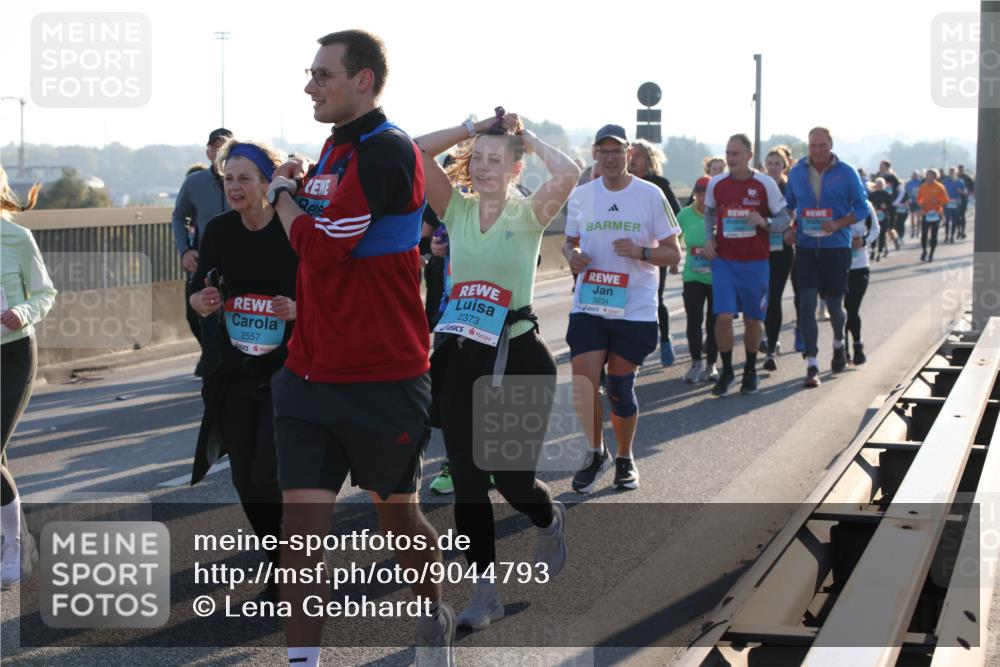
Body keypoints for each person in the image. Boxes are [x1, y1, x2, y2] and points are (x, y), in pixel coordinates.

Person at [264, 30, 454, 667]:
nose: (309, 86)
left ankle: (433, 617)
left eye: (323, 75)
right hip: (308, 375)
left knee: (399, 524)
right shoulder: (335, 147)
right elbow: (321, 226)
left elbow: (321, 249)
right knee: (300, 537)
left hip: (384, 378)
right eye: (311, 73)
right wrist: (299, 183)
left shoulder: (387, 150)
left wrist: (281, 195)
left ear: (364, 80)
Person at [415, 108, 580, 630]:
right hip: (463, 357)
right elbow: (414, 150)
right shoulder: (457, 211)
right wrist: (471, 128)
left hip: (519, 356)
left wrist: (528, 137)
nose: (484, 167)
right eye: (478, 159)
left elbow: (571, 172)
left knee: (511, 481)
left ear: (515, 168)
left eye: (495, 160)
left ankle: (547, 517)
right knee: (467, 479)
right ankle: (484, 594)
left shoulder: (529, 215)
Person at [188, 139, 296, 603]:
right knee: (245, 480)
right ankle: (278, 560)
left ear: (267, 183)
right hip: (234, 370)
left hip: (287, 370)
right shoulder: (218, 231)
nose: (234, 187)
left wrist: (298, 309)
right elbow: (197, 292)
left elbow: (328, 289)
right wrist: (202, 300)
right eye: (228, 179)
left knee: (270, 472)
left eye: (244, 178)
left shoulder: (291, 229)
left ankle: (297, 561)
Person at [563, 124, 681, 492]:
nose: (610, 158)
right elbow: (569, 242)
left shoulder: (650, 194)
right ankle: (596, 452)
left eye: (617, 151)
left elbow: (673, 253)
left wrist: (642, 252)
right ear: (595, 154)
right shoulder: (582, 195)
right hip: (590, 302)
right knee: (583, 382)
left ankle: (626, 457)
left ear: (628, 154)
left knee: (618, 387)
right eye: (604, 151)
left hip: (634, 307)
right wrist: (573, 256)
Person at [701, 134, 790, 396]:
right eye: (728, 153)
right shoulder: (717, 183)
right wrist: (709, 238)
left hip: (755, 262)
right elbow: (709, 214)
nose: (730, 158)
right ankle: (727, 371)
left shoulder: (765, 184)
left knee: (752, 320)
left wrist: (765, 222)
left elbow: (785, 218)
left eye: (736, 153)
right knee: (723, 317)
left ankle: (750, 370)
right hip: (725, 261)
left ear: (749, 156)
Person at [1, 167, 56, 586]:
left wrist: (23, 311)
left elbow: (45, 293)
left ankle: (15, 544)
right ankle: (15, 539)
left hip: (13, 354)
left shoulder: (17, 238)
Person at [784, 127, 870, 388]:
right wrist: (789, 228)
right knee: (807, 303)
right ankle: (811, 363)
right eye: (813, 146)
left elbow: (862, 208)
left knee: (834, 306)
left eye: (822, 145)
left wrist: (839, 223)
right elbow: (788, 207)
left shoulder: (846, 172)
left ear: (831, 145)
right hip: (807, 247)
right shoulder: (797, 172)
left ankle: (839, 342)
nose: (818, 150)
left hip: (836, 247)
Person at [172, 128, 232, 378]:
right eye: (215, 147)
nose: (219, 152)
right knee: (197, 316)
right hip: (206, 265)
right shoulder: (194, 183)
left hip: (239, 262)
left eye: (225, 147)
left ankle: (222, 366)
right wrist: (185, 251)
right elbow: (178, 216)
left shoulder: (248, 178)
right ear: (208, 152)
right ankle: (210, 362)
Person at [628, 139, 682, 366]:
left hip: (654, 253)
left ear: (648, 160)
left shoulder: (658, 185)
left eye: (638, 155)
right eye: (631, 155)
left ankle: (665, 339)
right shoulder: (620, 184)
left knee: (655, 298)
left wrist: (672, 251)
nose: (633, 159)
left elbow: (677, 216)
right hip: (626, 254)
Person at [677, 176, 718, 383]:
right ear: (695, 194)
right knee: (694, 319)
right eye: (700, 193)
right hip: (693, 276)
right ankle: (695, 363)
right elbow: (672, 237)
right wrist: (673, 258)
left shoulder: (720, 214)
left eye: (707, 193)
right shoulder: (685, 214)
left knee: (714, 323)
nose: (703, 198)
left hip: (718, 277)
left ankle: (711, 365)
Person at [761, 147, 795, 371]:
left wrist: (791, 228)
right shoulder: (759, 185)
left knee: (774, 298)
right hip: (758, 248)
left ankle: (771, 348)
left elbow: (796, 212)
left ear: (785, 166)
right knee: (759, 297)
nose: (773, 167)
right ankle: (762, 334)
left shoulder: (789, 188)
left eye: (777, 164)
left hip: (782, 249)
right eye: (770, 163)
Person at [844, 201, 880, 366]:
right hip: (838, 265)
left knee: (852, 309)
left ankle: (857, 345)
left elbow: (875, 229)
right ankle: (842, 349)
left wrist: (864, 241)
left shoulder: (865, 205)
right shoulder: (834, 201)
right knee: (839, 311)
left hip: (860, 266)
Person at [918, 168, 949, 262]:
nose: (928, 177)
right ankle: (924, 251)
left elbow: (945, 200)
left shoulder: (940, 187)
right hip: (926, 213)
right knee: (924, 234)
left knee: (934, 235)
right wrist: (921, 204)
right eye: (927, 175)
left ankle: (931, 254)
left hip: (936, 213)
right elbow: (919, 198)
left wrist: (938, 201)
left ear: (935, 176)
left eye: (930, 175)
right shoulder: (923, 186)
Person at [867, 178, 893, 261]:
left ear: (884, 185)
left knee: (882, 234)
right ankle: (873, 250)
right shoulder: (872, 195)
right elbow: (868, 205)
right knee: (873, 233)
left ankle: (880, 252)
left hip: (884, 217)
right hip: (874, 217)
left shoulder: (887, 195)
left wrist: (886, 207)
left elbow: (891, 207)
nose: (879, 186)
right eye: (878, 184)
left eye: (881, 184)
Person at [940, 167, 967, 244]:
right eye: (950, 172)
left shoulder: (960, 181)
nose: (951, 174)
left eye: (953, 172)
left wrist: (960, 191)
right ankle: (946, 236)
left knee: (954, 220)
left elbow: (965, 192)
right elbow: (941, 191)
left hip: (956, 203)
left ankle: (952, 236)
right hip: (947, 203)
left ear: (956, 173)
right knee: (947, 220)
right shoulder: (945, 182)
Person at [956, 164, 975, 239]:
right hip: (956, 198)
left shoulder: (967, 177)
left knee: (962, 215)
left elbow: (973, 186)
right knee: (957, 216)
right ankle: (958, 231)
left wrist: (970, 193)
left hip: (964, 198)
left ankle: (963, 231)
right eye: (960, 169)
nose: (961, 170)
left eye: (962, 169)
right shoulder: (956, 177)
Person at [904, 171, 923, 239]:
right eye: (914, 175)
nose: (915, 176)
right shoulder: (909, 183)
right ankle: (913, 231)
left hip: (919, 201)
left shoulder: (920, 182)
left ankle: (918, 231)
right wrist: (908, 199)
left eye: (916, 175)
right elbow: (906, 192)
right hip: (912, 202)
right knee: (912, 217)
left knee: (919, 217)